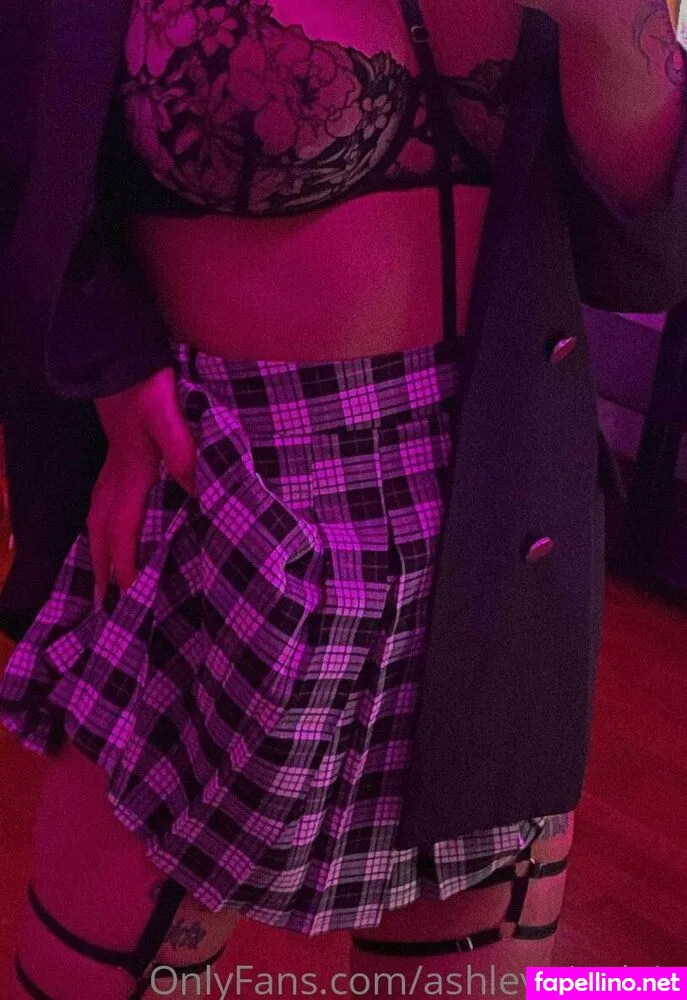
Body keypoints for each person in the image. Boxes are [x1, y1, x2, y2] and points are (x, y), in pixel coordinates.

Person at [1, 1, 687, 997]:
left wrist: (607, 21)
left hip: (507, 509)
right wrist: (104, 351)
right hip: (227, 492)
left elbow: (647, 260)